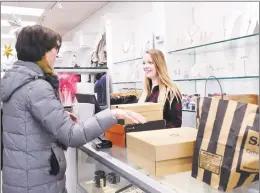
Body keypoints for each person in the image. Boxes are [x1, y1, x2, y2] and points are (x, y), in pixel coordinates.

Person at [0, 25, 146, 193]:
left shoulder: (16, 81)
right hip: (38, 183)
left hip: (22, 177)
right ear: (41, 51)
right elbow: (72, 136)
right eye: (55, 48)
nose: (57, 53)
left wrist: (59, 116)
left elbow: (26, 125)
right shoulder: (37, 87)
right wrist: (112, 114)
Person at [138, 49, 182, 128]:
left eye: (150, 62)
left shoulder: (171, 91)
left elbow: (175, 124)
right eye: (144, 63)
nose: (145, 66)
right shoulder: (146, 92)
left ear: (159, 64)